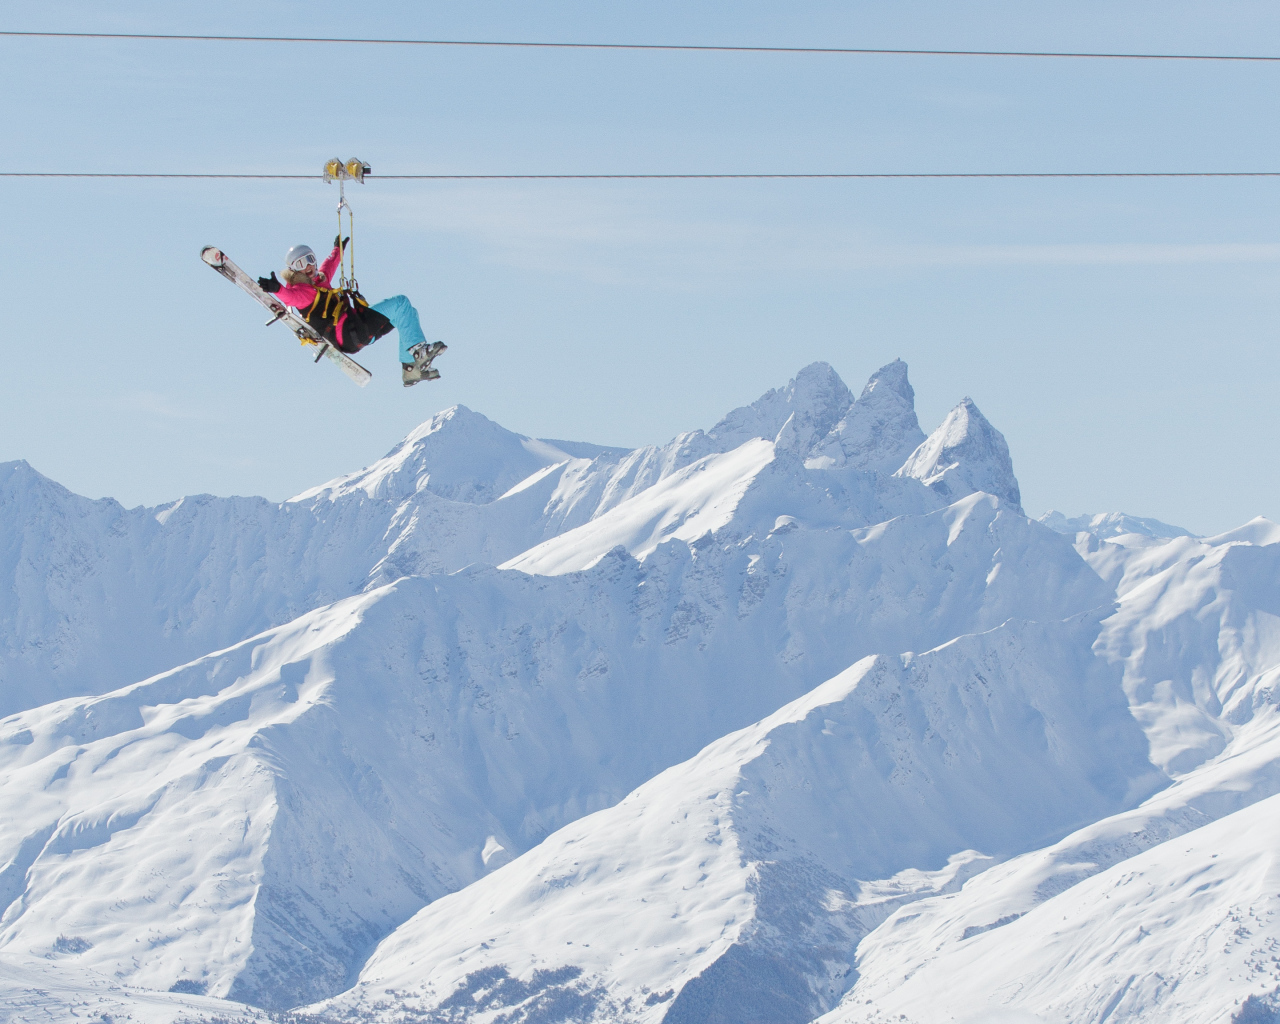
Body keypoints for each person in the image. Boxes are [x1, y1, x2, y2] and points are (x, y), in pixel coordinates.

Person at [257, 239, 444, 386]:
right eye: (301, 263)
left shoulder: (318, 282)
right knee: (401, 303)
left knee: (408, 313)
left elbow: (328, 266)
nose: (308, 266)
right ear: (293, 270)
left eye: (310, 259)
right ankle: (418, 352)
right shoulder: (303, 292)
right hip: (350, 330)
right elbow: (291, 297)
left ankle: (410, 369)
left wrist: (337, 250)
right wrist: (277, 289)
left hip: (355, 333)